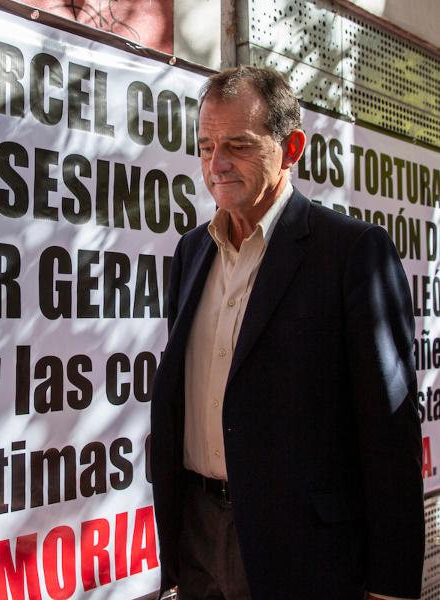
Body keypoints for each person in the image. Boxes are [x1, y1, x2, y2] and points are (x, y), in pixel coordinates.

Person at [149, 66, 424, 600]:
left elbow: (389, 436)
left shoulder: (351, 252)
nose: (216, 164)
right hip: (198, 539)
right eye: (205, 146)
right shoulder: (190, 253)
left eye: (238, 145)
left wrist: (391, 588)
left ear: (291, 147)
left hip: (305, 554)